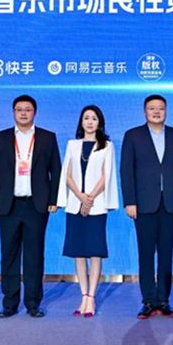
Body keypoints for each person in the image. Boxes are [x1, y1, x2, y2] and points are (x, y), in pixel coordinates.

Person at [0, 95, 61, 318]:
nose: (23, 113)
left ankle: (33, 304)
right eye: (19, 110)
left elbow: (56, 170)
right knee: (9, 255)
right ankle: (9, 303)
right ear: (13, 113)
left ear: (35, 112)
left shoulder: (47, 137)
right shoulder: (0, 137)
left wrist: (54, 199)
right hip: (8, 205)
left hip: (37, 205)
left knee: (34, 256)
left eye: (28, 109)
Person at [120, 94, 173, 319]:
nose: (156, 112)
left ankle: (164, 300)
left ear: (166, 111)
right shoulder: (133, 135)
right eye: (152, 108)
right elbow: (126, 171)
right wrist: (129, 201)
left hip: (170, 203)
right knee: (146, 254)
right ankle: (149, 301)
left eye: (160, 108)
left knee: (167, 254)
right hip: (143, 204)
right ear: (145, 111)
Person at [57, 105, 118, 318]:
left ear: (99, 123)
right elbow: (67, 174)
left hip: (96, 205)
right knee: (79, 252)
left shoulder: (107, 146)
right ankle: (83, 295)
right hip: (75, 205)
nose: (90, 122)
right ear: (81, 122)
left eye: (94, 118)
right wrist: (80, 196)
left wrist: (89, 198)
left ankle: (92, 296)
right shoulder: (72, 145)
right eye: (86, 118)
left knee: (95, 250)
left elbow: (106, 175)